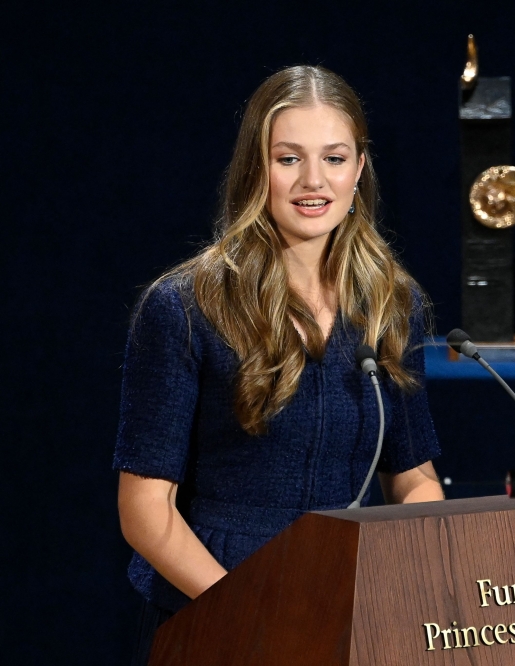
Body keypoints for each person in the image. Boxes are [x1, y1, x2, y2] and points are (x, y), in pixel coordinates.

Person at [113, 65, 444, 664]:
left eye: (334, 158)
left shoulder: (393, 304)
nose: (313, 181)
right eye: (288, 158)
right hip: (214, 612)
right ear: (254, 169)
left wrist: (405, 587)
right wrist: (248, 614)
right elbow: (145, 512)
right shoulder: (185, 308)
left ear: (359, 169)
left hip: (345, 613)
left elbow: (413, 479)